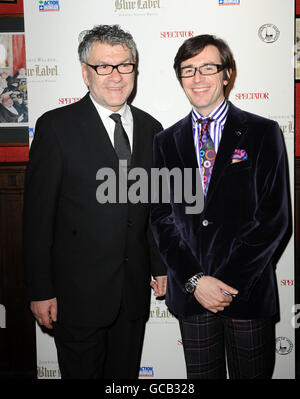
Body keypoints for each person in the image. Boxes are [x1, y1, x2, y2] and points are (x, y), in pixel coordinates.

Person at [23, 24, 166, 379]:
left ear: (135, 68)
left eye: (124, 65)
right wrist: (40, 290)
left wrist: (160, 264)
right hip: (76, 297)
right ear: (86, 73)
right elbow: (37, 219)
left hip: (132, 294)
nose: (116, 76)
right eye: (104, 66)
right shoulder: (56, 127)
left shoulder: (152, 129)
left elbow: (150, 209)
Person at [151, 34, 289, 379]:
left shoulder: (262, 132)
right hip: (192, 294)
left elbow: (273, 219)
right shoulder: (165, 141)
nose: (197, 78)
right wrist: (197, 281)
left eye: (207, 68)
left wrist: (224, 283)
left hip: (247, 292)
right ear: (180, 77)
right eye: (188, 70)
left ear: (227, 73)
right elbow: (161, 217)